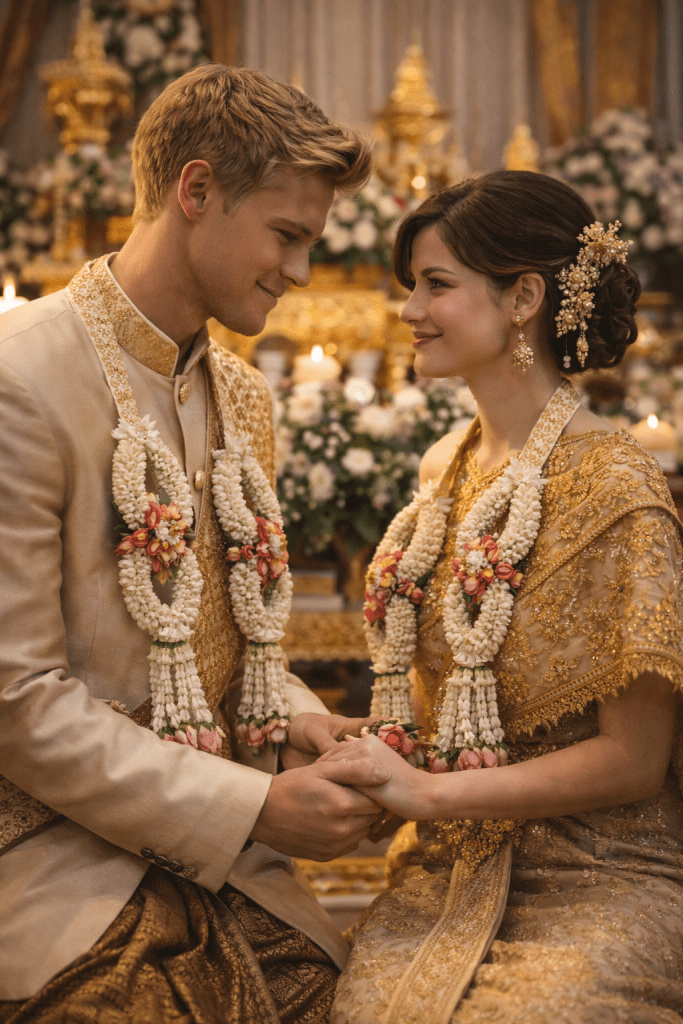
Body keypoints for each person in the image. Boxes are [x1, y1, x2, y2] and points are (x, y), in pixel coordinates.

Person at [0, 64, 390, 1023]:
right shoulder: (21, 381)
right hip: (52, 855)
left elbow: (223, 637)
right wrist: (253, 807)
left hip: (227, 862)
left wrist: (295, 715)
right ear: (197, 190)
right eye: (287, 235)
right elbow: (14, 699)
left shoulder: (244, 396)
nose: (300, 273)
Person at [324, 171, 683, 1024]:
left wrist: (428, 796)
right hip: (442, 869)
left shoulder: (617, 483)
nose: (407, 309)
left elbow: (636, 760)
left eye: (435, 284)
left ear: (522, 297)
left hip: (600, 874)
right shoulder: (442, 467)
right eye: (410, 283)